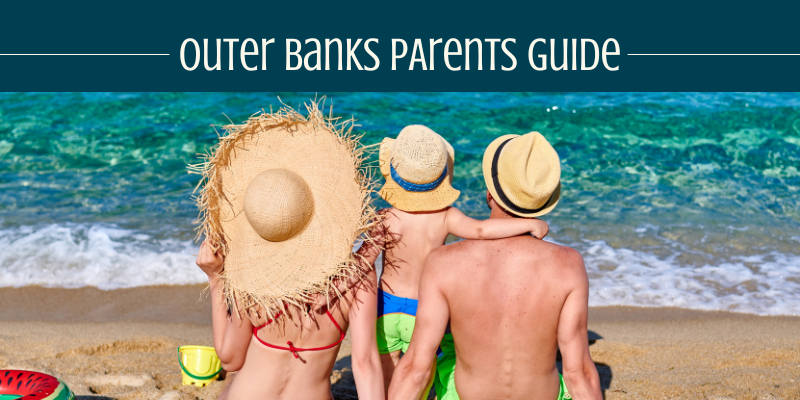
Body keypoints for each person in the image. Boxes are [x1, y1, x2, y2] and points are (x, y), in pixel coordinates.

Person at [388, 132, 603, 400]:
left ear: (490, 194)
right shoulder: (569, 264)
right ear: (544, 203)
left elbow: (416, 370)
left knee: (442, 348)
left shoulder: (443, 262)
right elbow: (578, 371)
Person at [192, 102, 384, 400]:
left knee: (230, 386)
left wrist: (216, 279)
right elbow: (365, 363)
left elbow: (230, 359)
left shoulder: (252, 275)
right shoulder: (359, 278)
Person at [348, 125, 550, 400]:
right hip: (422, 310)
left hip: (386, 306)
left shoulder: (386, 217)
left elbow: (364, 262)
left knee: (387, 366)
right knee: (422, 365)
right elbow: (481, 231)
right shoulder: (446, 216)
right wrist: (528, 224)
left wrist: (333, 283)